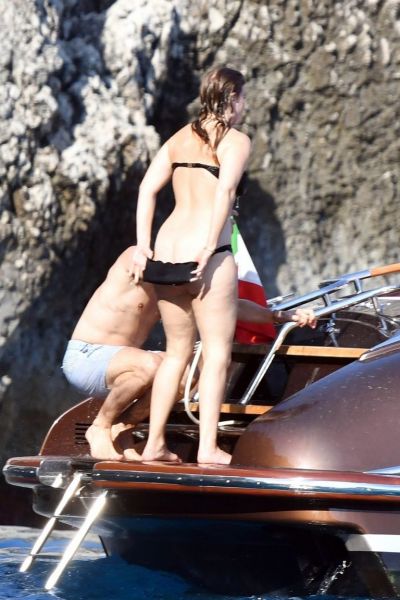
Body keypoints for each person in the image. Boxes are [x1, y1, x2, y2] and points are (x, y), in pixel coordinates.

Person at [131, 66, 299, 464]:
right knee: (217, 352)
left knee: (176, 353)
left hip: (167, 254)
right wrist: (210, 246)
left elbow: (146, 189)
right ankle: (208, 447)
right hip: (208, 255)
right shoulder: (236, 140)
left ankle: (154, 444)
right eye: (243, 98)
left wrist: (142, 246)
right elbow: (225, 192)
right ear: (232, 98)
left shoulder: (178, 138)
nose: (245, 106)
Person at [62, 245, 316, 462]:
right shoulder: (140, 258)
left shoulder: (181, 277)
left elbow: (229, 305)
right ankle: (100, 426)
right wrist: (216, 258)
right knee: (151, 365)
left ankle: (123, 427)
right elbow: (164, 267)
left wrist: (279, 316)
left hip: (125, 362)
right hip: (87, 356)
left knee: (187, 376)